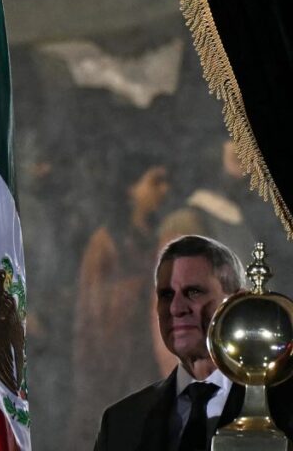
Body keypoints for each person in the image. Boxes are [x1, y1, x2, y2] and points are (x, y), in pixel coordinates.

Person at [93, 235, 293, 450]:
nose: (176, 308)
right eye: (167, 295)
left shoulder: (286, 408)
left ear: (236, 303)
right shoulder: (122, 422)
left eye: (193, 292)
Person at [69, 163, 171, 446]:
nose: (164, 190)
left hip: (149, 353)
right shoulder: (105, 241)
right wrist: (140, 290)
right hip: (113, 359)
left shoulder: (159, 235)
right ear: (131, 189)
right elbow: (92, 305)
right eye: (155, 182)